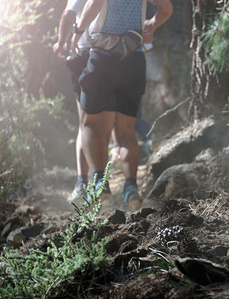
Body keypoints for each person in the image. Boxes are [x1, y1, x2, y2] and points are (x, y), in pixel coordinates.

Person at [71, 0, 172, 211]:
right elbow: (166, 9)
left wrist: (78, 30)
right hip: (133, 60)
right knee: (126, 132)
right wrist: (150, 26)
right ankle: (130, 188)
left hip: (103, 58)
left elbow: (96, 3)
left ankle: (100, 181)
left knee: (89, 123)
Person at [53, 0, 95, 205]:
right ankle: (98, 182)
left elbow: (69, 14)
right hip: (114, 54)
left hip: (85, 54)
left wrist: (61, 42)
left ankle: (83, 183)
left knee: (84, 122)